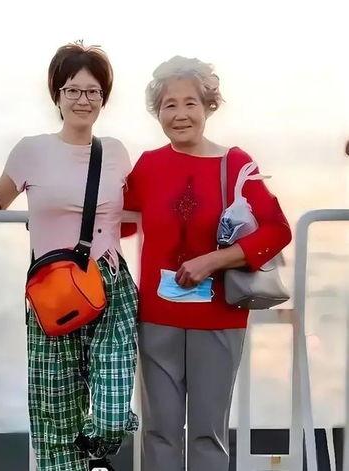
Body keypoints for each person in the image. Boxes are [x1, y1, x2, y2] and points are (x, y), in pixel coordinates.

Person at [0, 42, 138, 471]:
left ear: (103, 98)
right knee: (55, 414)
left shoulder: (116, 152)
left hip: (110, 287)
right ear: (57, 95)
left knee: (111, 409)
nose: (83, 100)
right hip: (53, 291)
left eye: (92, 91)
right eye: (73, 90)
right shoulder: (32, 150)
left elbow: (141, 208)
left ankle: (95, 452)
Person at [124, 56, 292, 471]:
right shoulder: (147, 165)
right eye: (169, 104)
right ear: (157, 111)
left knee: (207, 434)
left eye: (190, 103)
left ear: (208, 106)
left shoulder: (235, 164)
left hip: (218, 317)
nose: (180, 114)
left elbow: (276, 231)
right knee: (159, 432)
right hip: (157, 317)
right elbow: (117, 224)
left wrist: (213, 260)